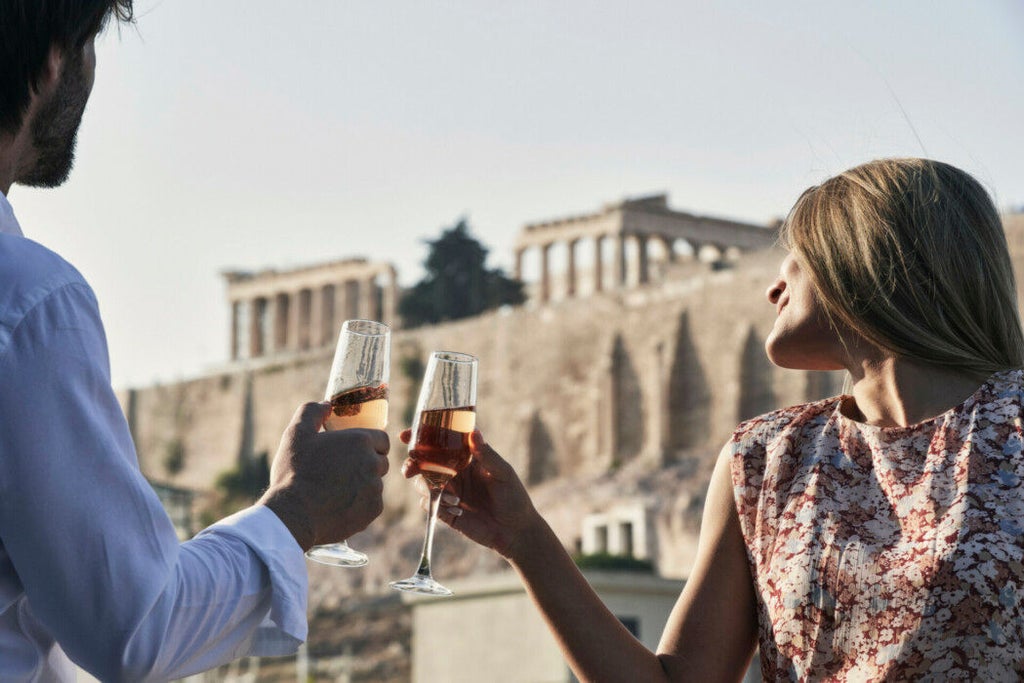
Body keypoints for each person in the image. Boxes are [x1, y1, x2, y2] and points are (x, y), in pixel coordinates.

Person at [405, 157, 1024, 680]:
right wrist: (524, 539)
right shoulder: (765, 460)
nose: (770, 292)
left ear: (860, 264)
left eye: (794, 266)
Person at [0, 1, 390, 680]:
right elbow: (134, 627)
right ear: (54, 60)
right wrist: (294, 511)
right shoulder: (29, 302)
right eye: (92, 45)